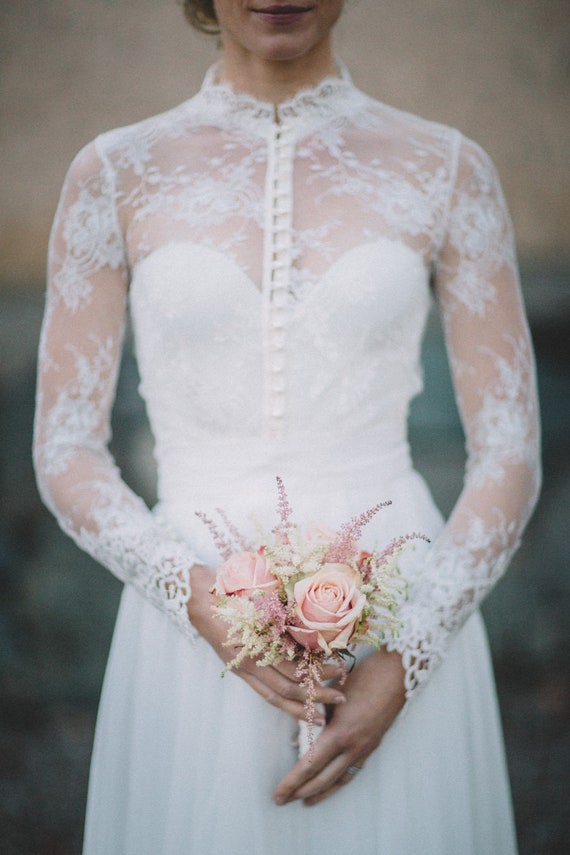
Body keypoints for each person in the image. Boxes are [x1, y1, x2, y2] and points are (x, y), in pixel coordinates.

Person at [33, 1, 541, 852]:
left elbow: (510, 448)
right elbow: (65, 446)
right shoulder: (115, 170)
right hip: (190, 620)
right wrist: (188, 593)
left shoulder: (447, 166)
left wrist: (407, 657)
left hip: (401, 608)